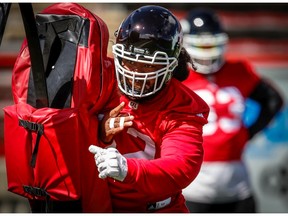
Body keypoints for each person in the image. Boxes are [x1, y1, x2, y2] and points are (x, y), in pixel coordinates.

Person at [88, 5, 210, 213]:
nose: (136, 74)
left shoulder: (181, 106)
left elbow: (180, 167)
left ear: (171, 65)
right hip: (102, 205)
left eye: (148, 65)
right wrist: (101, 132)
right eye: (129, 62)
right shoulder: (102, 80)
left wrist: (128, 169)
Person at [180, 8, 284, 213]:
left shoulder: (240, 71)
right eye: (201, 44)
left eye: (211, 43)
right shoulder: (178, 77)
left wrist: (248, 132)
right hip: (193, 187)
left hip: (238, 186)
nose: (207, 50)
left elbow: (273, 100)